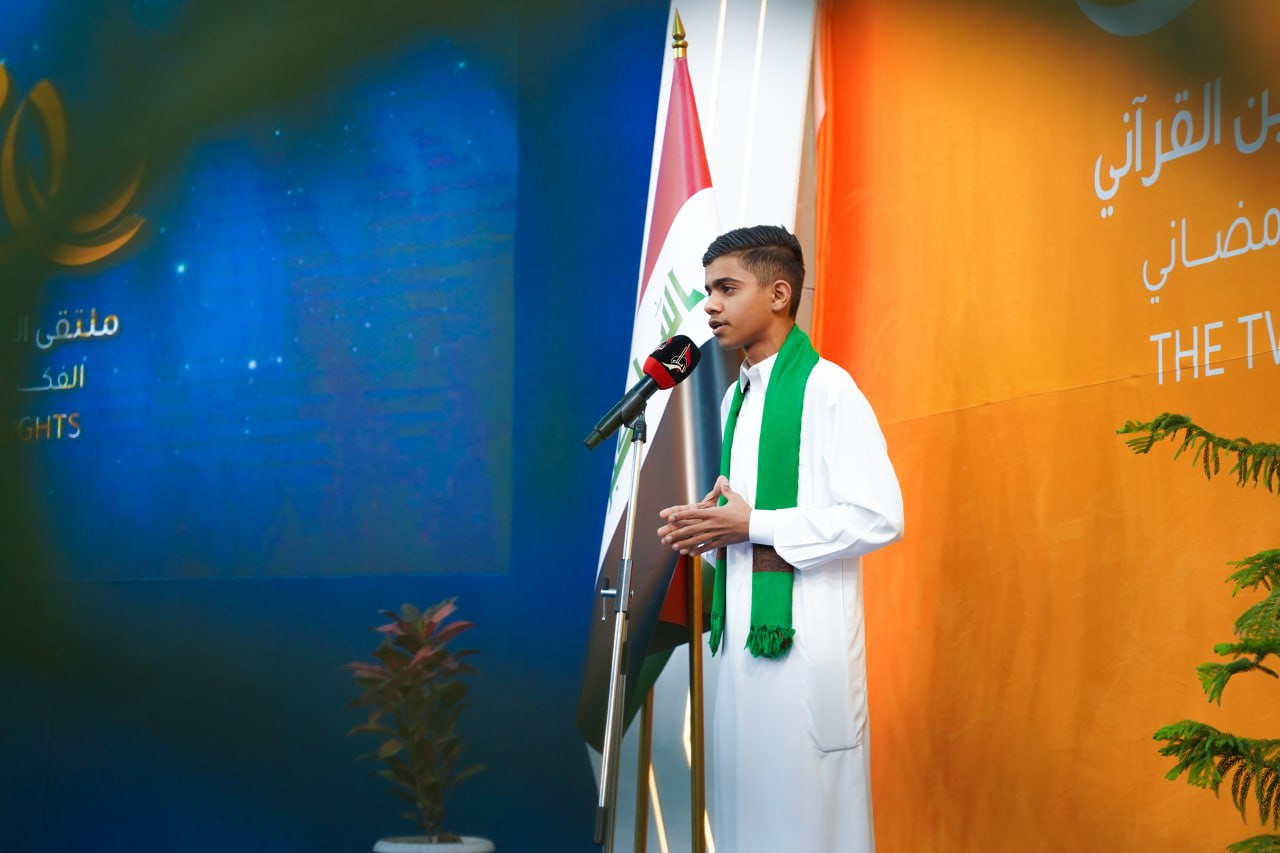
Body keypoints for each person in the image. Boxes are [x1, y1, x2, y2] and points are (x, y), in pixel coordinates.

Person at [656, 225, 903, 852]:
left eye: (727, 288)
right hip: (740, 659)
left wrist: (753, 524)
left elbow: (879, 516)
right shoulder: (737, 400)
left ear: (778, 294)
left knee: (807, 829)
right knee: (747, 825)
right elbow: (746, 519)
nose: (710, 306)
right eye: (708, 291)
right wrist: (713, 528)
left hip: (805, 662)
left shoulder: (828, 390)